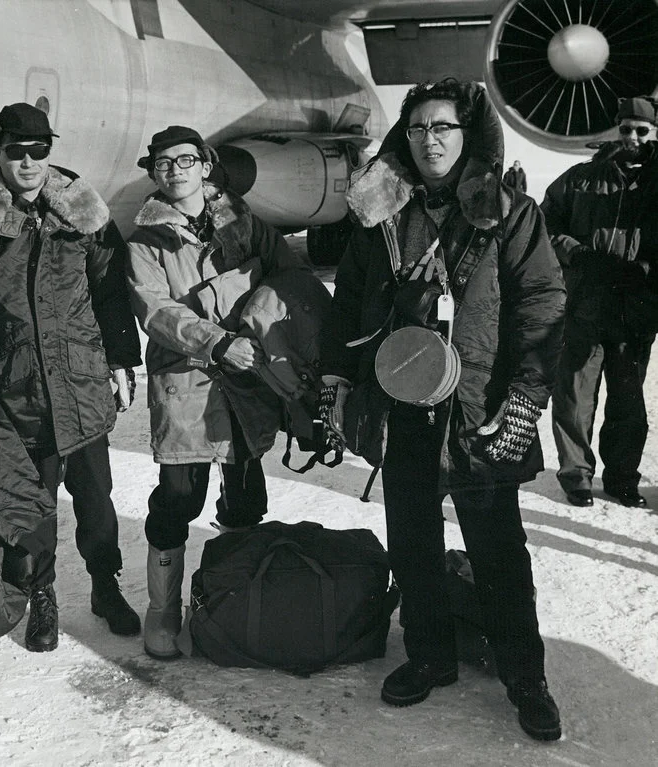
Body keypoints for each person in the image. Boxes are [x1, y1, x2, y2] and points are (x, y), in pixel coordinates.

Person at [319, 80, 566, 741]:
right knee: (413, 541)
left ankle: (524, 674)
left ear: (468, 136)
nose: (430, 139)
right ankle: (429, 653)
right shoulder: (378, 215)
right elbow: (347, 303)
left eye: (444, 128)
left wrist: (522, 402)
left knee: (498, 550)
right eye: (419, 128)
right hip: (402, 402)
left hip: (481, 405)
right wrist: (337, 382)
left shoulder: (507, 212)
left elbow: (542, 304)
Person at [0, 103, 142, 653]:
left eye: (40, 150)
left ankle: (105, 586)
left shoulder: (82, 214)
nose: (29, 162)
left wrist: (124, 361)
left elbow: (110, 293)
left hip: (82, 381)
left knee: (97, 502)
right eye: (16, 152)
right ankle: (43, 595)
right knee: (32, 507)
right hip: (20, 387)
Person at [125, 125, 309, 660]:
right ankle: (162, 610)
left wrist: (268, 323)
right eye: (161, 163)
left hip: (248, 380)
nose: (173, 170)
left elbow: (288, 277)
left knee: (247, 496)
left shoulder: (245, 224)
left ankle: (232, 590)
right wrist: (216, 335)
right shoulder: (146, 241)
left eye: (185, 160)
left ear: (206, 166)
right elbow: (156, 310)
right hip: (188, 380)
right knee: (178, 498)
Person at [541, 96, 657, 509]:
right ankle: (576, 476)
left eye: (642, 131)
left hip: (636, 308)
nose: (632, 138)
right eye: (626, 129)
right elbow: (546, 220)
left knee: (628, 400)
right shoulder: (581, 177)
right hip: (585, 303)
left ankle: (622, 478)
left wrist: (645, 269)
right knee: (573, 394)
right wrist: (574, 252)